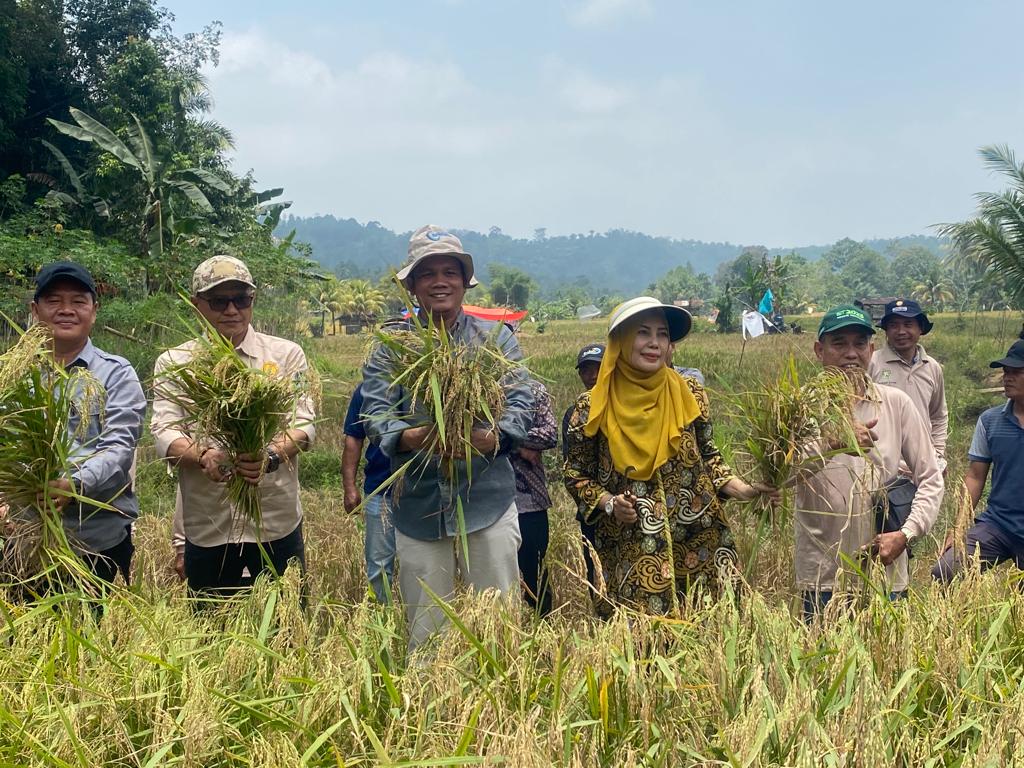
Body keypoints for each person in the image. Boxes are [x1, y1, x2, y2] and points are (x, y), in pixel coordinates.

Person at [361, 225, 533, 651]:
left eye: (450, 271)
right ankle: (432, 708)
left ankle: (504, 705)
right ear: (414, 286)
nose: (440, 281)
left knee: (498, 627)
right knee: (427, 632)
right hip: (417, 506)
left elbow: (520, 402)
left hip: (486, 501)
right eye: (427, 273)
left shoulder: (494, 340)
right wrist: (413, 437)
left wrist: (489, 440)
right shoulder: (391, 347)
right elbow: (376, 412)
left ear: (464, 281)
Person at [563, 296, 775, 617]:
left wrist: (744, 490)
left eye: (662, 334)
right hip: (632, 549)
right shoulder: (591, 406)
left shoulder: (690, 392)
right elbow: (576, 474)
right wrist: (609, 503)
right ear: (621, 339)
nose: (654, 343)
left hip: (700, 542)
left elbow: (709, 457)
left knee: (708, 640)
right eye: (643, 333)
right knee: (643, 647)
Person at [152, 255, 316, 595]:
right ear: (197, 305)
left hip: (275, 522)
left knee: (285, 627)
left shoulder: (285, 356)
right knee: (211, 629)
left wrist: (269, 456)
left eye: (241, 299)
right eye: (218, 301)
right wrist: (204, 456)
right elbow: (165, 430)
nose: (231, 310)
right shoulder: (176, 363)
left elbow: (304, 425)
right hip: (209, 524)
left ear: (252, 301)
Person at [794, 305, 943, 620]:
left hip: (885, 572)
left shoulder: (895, 404)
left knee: (888, 666)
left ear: (872, 350)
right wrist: (829, 446)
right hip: (822, 575)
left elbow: (930, 476)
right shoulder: (797, 407)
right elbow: (782, 478)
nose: (851, 353)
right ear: (819, 350)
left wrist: (906, 534)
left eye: (860, 343)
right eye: (839, 343)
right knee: (822, 665)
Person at [14, 262, 146, 587]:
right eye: (54, 301)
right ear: (35, 310)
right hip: (23, 541)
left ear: (94, 311)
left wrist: (75, 484)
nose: (66, 310)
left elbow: (118, 450)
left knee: (94, 634)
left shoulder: (116, 374)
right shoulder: (14, 376)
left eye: (78, 301)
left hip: (97, 545)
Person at [932, 339, 1024, 582]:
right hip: (999, 524)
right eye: (1006, 371)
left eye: (1017, 372)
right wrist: (958, 527)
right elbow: (975, 476)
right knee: (946, 570)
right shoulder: (991, 421)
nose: (1007, 377)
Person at [868, 299, 947, 469]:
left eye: (908, 324)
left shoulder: (932, 367)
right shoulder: (871, 363)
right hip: (882, 465)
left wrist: (938, 454)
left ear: (920, 328)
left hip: (924, 464)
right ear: (886, 331)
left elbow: (938, 415)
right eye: (894, 325)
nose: (901, 331)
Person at [342, 382, 397, 603]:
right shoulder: (369, 389)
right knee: (380, 565)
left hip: (426, 492)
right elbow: (354, 438)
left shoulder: (430, 385)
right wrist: (349, 486)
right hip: (381, 490)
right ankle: (380, 619)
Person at [561, 343, 605, 594]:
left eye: (598, 367)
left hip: (634, 507)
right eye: (586, 370)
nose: (592, 376)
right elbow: (574, 469)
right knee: (597, 574)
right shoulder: (574, 415)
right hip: (594, 510)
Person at [512, 379, 558, 616]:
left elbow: (549, 435)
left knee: (536, 571)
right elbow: (468, 433)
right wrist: (520, 445)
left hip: (529, 500)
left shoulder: (532, 389)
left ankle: (543, 629)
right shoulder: (469, 384)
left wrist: (501, 437)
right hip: (485, 501)